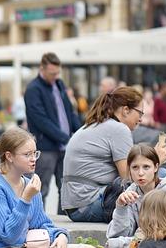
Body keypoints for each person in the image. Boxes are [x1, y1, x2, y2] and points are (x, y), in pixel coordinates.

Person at [61, 87, 144, 222]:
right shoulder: (119, 129)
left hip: (75, 205)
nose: (141, 119)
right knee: (161, 174)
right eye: (140, 113)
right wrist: (156, 160)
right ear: (126, 110)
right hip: (88, 204)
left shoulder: (93, 125)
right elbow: (129, 177)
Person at [24, 52, 80, 214]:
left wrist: (80, 132)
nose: (55, 76)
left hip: (65, 146)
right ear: (42, 68)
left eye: (57, 73)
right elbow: (40, 120)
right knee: (41, 188)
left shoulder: (59, 84)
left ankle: (65, 222)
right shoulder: (33, 89)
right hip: (46, 147)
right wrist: (65, 137)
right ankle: (36, 220)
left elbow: (69, 111)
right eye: (52, 73)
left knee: (65, 189)